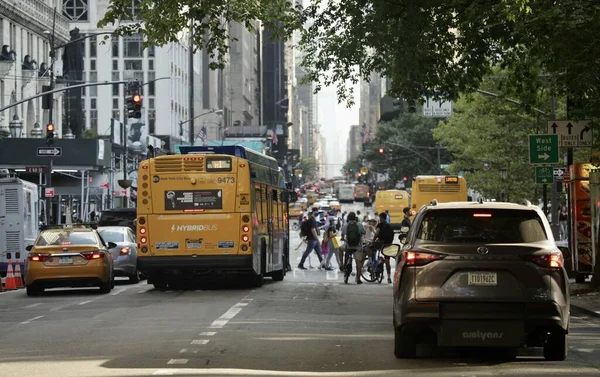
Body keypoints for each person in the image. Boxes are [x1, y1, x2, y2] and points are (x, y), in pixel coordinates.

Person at [341, 212, 366, 284]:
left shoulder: (346, 225)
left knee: (339, 249)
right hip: (358, 246)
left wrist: (343, 238)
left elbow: (343, 234)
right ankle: (358, 278)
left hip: (348, 246)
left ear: (348, 218)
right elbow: (363, 232)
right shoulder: (359, 224)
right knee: (358, 263)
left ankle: (342, 265)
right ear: (355, 217)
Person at [372, 212, 395, 283]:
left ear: (381, 217)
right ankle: (388, 277)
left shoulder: (380, 225)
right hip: (388, 245)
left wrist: (373, 241)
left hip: (381, 244)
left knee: (372, 249)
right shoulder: (390, 225)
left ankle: (374, 263)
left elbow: (376, 233)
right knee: (387, 261)